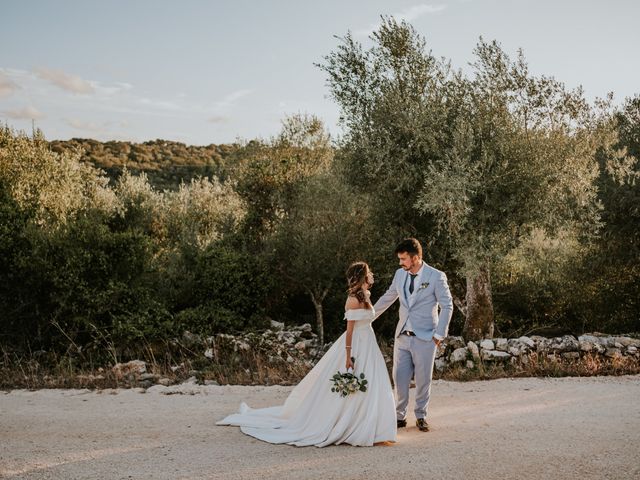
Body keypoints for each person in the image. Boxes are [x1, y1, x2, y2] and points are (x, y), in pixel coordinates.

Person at [216, 261, 396, 447]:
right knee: (355, 381)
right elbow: (349, 332)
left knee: (374, 382)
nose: (371, 275)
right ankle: (350, 423)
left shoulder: (366, 295)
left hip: (369, 343)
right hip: (357, 344)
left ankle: (374, 426)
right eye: (368, 273)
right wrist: (348, 355)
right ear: (362, 276)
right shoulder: (352, 300)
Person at [373, 238, 453, 432]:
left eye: (403, 259)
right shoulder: (400, 275)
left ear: (416, 257)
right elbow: (388, 297)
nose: (400, 263)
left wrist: (438, 335)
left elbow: (447, 305)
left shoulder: (436, 276)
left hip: (426, 337)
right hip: (402, 336)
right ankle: (399, 416)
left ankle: (420, 416)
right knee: (399, 378)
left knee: (423, 378)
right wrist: (368, 316)